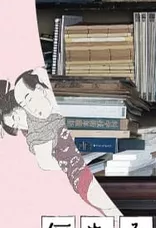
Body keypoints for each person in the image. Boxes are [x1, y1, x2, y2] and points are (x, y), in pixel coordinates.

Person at [0, 69, 120, 216]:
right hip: (84, 175)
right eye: (15, 125)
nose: (18, 123)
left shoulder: (48, 107)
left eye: (15, 117)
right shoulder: (37, 135)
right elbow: (45, 163)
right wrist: (85, 159)